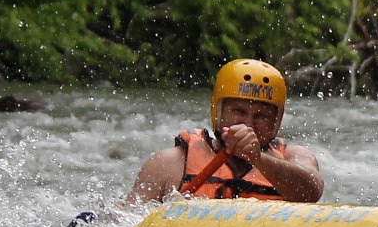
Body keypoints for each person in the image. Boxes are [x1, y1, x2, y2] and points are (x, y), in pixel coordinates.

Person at [128, 58, 323, 204]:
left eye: (262, 116)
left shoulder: (295, 157)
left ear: (276, 121)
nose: (248, 124)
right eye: (238, 111)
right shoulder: (171, 163)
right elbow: (127, 225)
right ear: (218, 112)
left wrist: (258, 158)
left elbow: (311, 193)